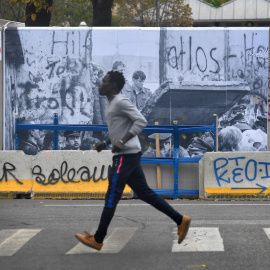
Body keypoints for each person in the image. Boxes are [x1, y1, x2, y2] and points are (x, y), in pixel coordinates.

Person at [75, 71, 191, 251]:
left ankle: (98, 239)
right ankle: (180, 220)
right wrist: (105, 143)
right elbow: (121, 128)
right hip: (129, 153)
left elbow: (141, 121)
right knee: (144, 192)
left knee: (112, 193)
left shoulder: (121, 101)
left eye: (104, 81)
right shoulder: (112, 103)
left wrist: (121, 142)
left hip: (126, 155)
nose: (100, 84)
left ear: (113, 85)